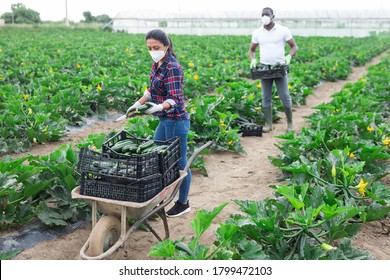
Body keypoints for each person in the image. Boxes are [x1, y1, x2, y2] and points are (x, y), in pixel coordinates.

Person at [126, 29, 191, 218]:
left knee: (180, 164)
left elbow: (175, 99)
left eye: (156, 47)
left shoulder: (173, 67)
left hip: (176, 121)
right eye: (149, 48)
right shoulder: (157, 64)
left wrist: (157, 108)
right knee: (155, 156)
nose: (153, 51)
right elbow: (150, 90)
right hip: (164, 120)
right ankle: (159, 197)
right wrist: (138, 104)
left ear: (166, 46)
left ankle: (183, 202)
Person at [248, 7, 298, 132]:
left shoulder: (282, 30)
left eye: (267, 14)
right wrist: (253, 60)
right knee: (266, 97)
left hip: (279, 68)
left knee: (285, 96)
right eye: (263, 14)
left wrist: (289, 56)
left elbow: (294, 46)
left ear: (272, 16)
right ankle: (268, 124)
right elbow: (251, 50)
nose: (265, 16)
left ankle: (290, 124)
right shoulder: (257, 32)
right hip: (265, 68)